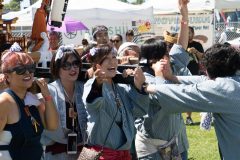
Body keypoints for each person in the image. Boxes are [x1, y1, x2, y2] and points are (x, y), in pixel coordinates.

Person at [144, 43, 240, 160]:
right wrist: (172, 77)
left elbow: (185, 92)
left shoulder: (224, 88)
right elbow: (202, 81)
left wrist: (146, 86)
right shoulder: (234, 80)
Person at [135, 1, 190, 159]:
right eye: (164, 53)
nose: (169, 56)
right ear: (152, 59)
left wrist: (184, 14)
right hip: (152, 146)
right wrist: (161, 75)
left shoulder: (171, 64)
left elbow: (181, 44)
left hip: (177, 142)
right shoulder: (143, 78)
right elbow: (163, 97)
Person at [82, 44, 149, 159]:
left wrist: (137, 86)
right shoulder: (92, 85)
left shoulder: (121, 87)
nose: (112, 62)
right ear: (97, 65)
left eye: (113, 57)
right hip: (102, 154)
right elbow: (92, 103)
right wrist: (98, 83)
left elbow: (139, 111)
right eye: (106, 59)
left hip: (124, 154)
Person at [0, 51, 58, 160]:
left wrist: (47, 95)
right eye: (20, 69)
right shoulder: (4, 102)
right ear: (7, 76)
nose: (27, 72)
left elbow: (52, 126)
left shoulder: (33, 100)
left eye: (31, 68)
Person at [41, 45, 88, 160]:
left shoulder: (86, 88)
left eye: (76, 63)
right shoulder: (48, 91)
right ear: (57, 68)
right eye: (66, 65)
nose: (73, 69)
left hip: (84, 155)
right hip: (56, 155)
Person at [186, 26, 204, 125]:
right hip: (181, 73)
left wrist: (195, 51)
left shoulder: (197, 45)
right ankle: (187, 117)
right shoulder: (180, 44)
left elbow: (203, 58)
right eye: (186, 32)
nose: (188, 34)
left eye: (189, 33)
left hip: (194, 73)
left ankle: (193, 116)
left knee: (192, 94)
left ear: (193, 34)